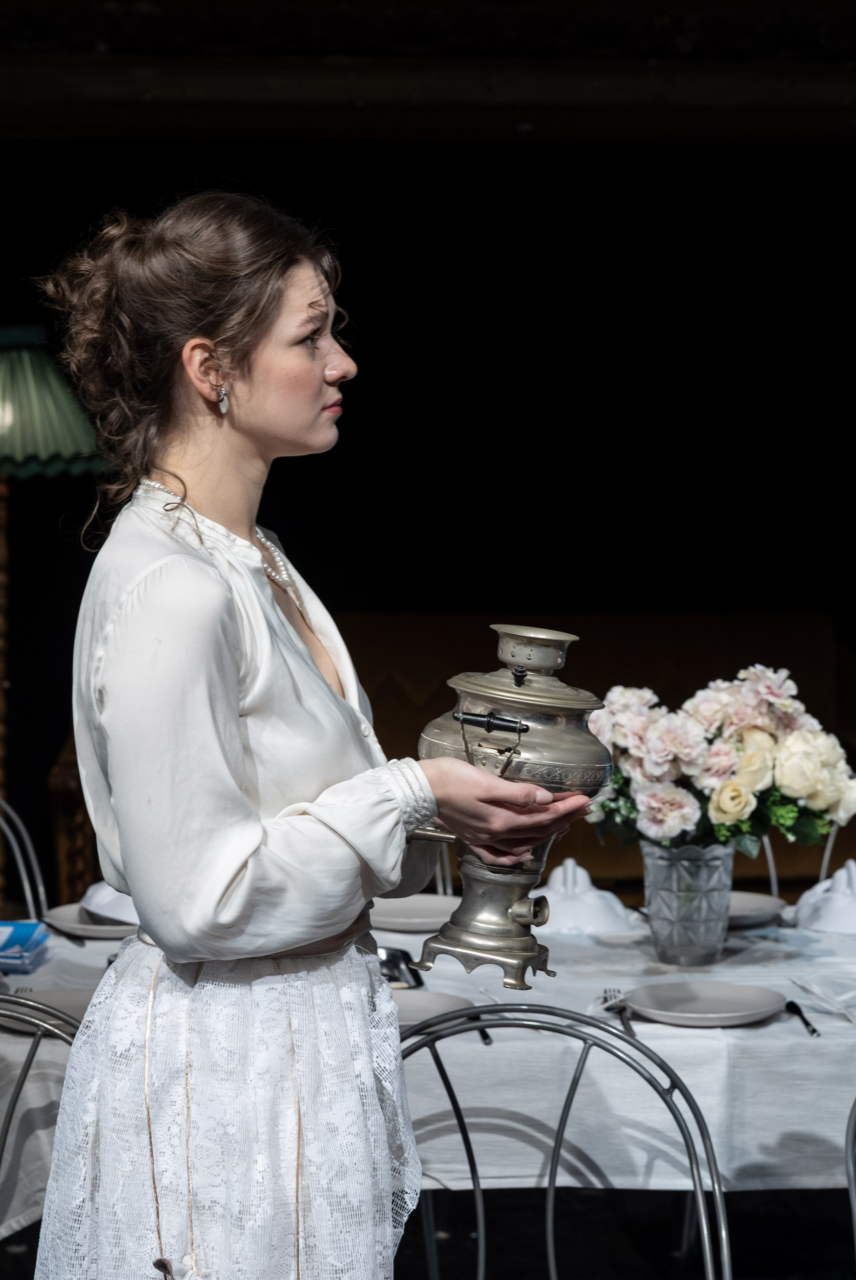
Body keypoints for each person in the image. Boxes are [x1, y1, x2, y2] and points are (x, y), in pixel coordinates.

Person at [32, 192, 589, 1279]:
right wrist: (411, 792)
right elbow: (199, 901)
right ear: (211, 368)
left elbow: (294, 814)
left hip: (297, 1036)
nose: (343, 363)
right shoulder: (174, 585)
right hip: (225, 1062)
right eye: (310, 336)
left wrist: (454, 814)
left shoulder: (257, 560)